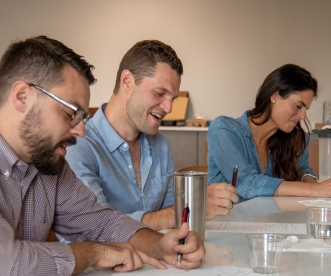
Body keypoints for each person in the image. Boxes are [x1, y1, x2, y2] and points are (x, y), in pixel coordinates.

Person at [0, 36, 205, 276]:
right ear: (22, 97)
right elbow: (8, 269)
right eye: (70, 113)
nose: (81, 131)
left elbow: (101, 221)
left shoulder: (44, 163)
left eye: (82, 116)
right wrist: (93, 253)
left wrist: (157, 244)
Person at [65, 40, 238, 231]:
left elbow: (171, 218)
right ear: (127, 82)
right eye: (159, 93)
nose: (169, 108)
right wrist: (193, 207)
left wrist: (186, 213)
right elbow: (95, 229)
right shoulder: (78, 145)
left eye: (172, 99)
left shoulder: (161, 144)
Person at [207, 64, 331, 203]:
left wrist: (313, 183)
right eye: (298, 106)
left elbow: (303, 171)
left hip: (271, 224)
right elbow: (246, 183)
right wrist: (315, 190)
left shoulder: (296, 138)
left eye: (306, 109)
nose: (303, 116)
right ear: (275, 95)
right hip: (228, 224)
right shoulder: (223, 129)